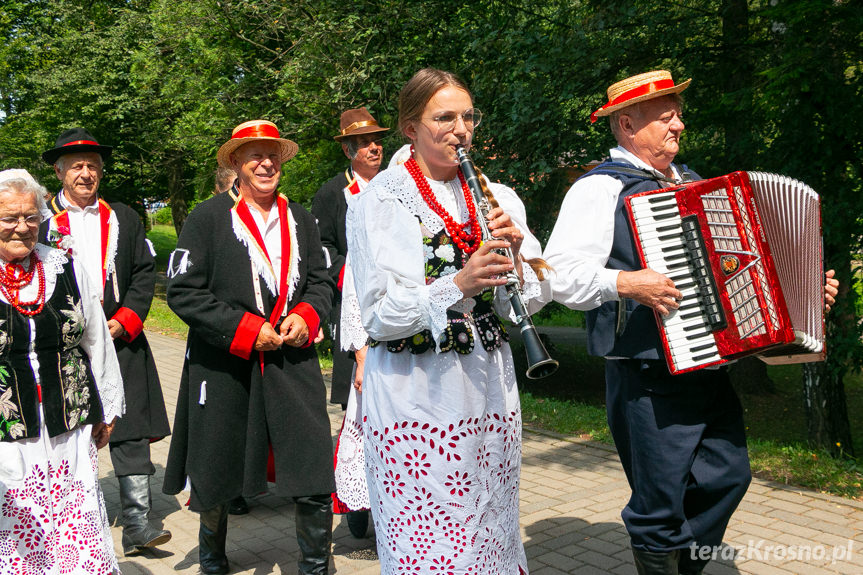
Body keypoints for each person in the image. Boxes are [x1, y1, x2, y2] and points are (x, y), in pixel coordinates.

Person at [542, 70, 839, 575]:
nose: (680, 124)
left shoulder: (697, 184)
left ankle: (680, 561)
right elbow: (559, 275)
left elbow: (744, 275)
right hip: (646, 372)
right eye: (667, 115)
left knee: (728, 475)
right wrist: (627, 283)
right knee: (659, 504)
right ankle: (663, 551)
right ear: (628, 125)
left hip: (705, 362)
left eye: (679, 112)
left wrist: (802, 297)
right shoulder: (599, 189)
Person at [343, 68, 548, 574]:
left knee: (490, 529)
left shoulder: (495, 195)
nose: (461, 129)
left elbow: (528, 302)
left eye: (467, 117)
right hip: (418, 394)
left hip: (489, 386)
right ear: (411, 129)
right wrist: (459, 283)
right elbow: (380, 315)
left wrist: (517, 260)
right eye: (444, 118)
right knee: (433, 543)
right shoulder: (382, 199)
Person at [163, 120, 335, 575]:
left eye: (272, 155)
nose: (265, 163)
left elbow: (320, 280)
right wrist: (243, 328)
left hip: (291, 357)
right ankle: (213, 560)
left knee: (312, 460)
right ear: (236, 163)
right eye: (254, 155)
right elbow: (183, 291)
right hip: (226, 362)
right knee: (218, 462)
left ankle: (317, 566)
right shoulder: (207, 217)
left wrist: (308, 315)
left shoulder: (301, 218)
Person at [41, 127, 172, 556]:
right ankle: (69, 515)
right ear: (60, 172)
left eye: (92, 166)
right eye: (76, 166)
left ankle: (138, 523)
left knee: (129, 427)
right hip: (64, 344)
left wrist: (125, 321)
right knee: (70, 427)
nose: (85, 174)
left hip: (121, 338)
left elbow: (141, 275)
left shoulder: (125, 218)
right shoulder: (42, 223)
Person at [0, 169, 125, 574]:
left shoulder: (64, 267)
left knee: (74, 528)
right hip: (8, 437)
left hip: (70, 426)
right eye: (9, 218)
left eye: (31, 216)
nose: (22, 226)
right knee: (18, 536)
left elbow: (96, 341)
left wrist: (106, 408)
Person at [311, 106, 388, 538]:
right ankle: (357, 504)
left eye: (377, 140)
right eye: (364, 142)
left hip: (398, 306)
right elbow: (322, 249)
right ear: (347, 148)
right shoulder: (332, 193)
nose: (374, 147)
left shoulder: (401, 186)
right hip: (353, 308)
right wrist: (357, 273)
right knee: (356, 405)